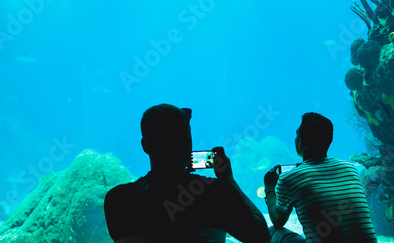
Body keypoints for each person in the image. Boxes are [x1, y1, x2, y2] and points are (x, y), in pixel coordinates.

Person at [104, 103, 270, 243]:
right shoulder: (216, 194)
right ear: (188, 144)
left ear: (144, 146)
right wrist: (229, 180)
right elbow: (261, 237)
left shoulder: (118, 201)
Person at [263, 112, 377, 243]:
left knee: (273, 232)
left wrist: (270, 189)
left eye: (297, 134)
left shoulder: (289, 178)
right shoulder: (350, 168)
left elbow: (278, 221)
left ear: (300, 142)